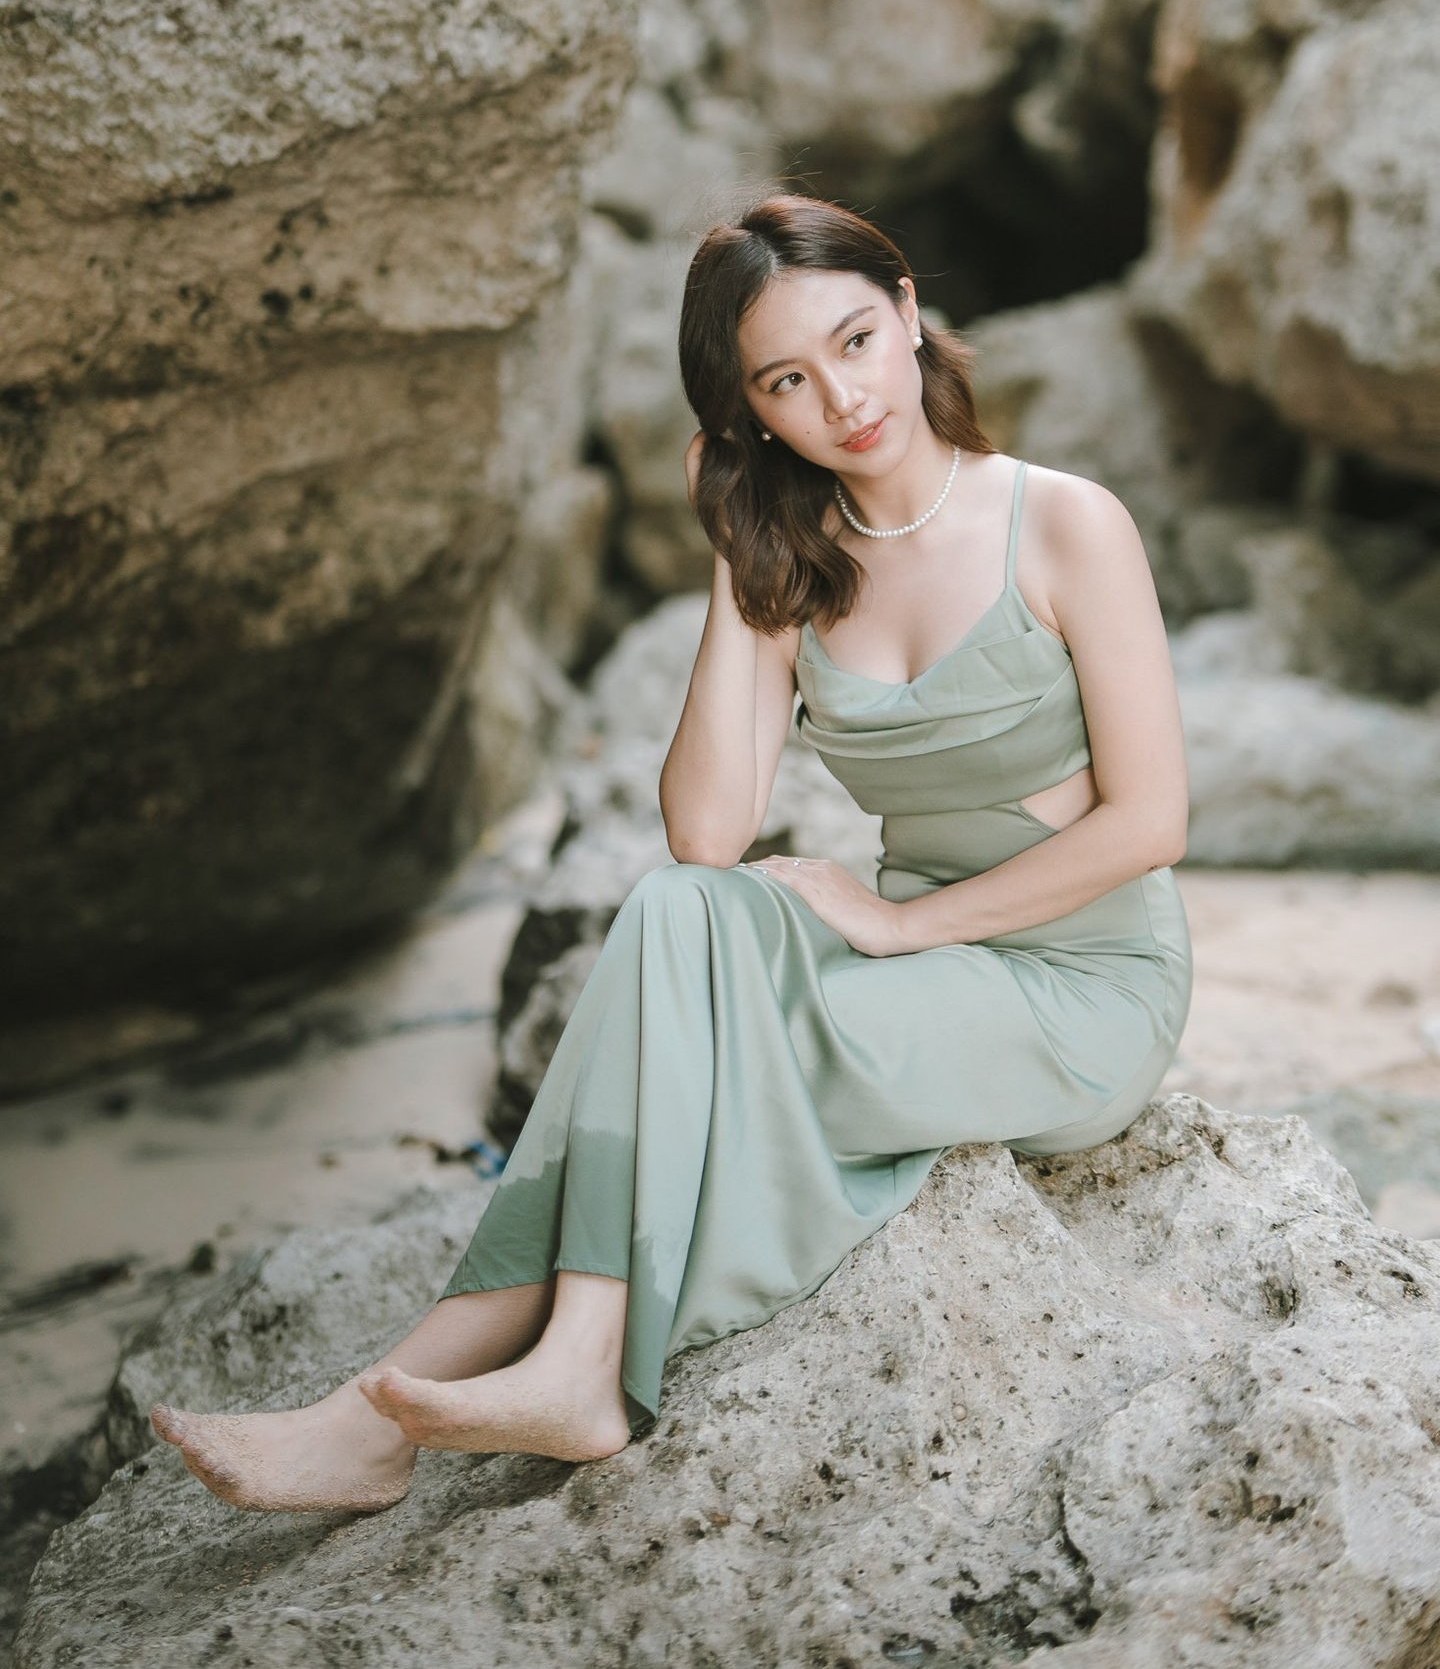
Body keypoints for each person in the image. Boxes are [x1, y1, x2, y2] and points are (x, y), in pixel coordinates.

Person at [150, 193, 1192, 1511]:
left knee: (669, 1057)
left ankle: (400, 1410)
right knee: (677, 912)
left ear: (913, 314)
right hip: (919, 966)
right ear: (753, 413)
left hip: (1079, 986)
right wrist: (736, 547)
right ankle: (529, 1372)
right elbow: (707, 832)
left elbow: (1152, 821)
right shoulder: (795, 553)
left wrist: (899, 924)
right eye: (789, 381)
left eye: (860, 339)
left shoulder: (1064, 524)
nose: (847, 397)